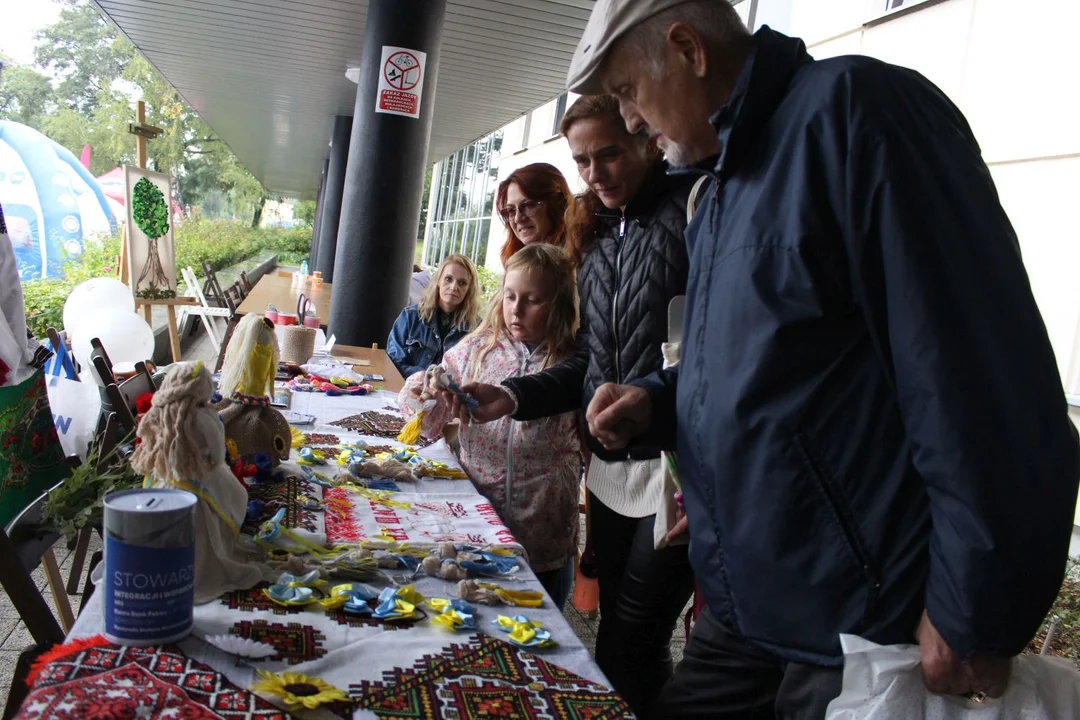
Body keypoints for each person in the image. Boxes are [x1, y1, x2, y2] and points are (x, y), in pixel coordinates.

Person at [566, 1, 1080, 718]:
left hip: (855, 630)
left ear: (687, 48)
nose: (627, 121)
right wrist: (656, 401)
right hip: (744, 610)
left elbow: (981, 377)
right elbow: (765, 368)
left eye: (626, 92)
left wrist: (975, 606)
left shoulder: (859, 115)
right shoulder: (720, 185)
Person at [457, 94, 695, 716]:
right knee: (627, 636)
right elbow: (587, 362)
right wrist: (510, 395)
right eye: (582, 160)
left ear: (646, 137)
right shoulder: (594, 233)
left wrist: (657, 404)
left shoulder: (695, 209)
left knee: (626, 643)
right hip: (611, 473)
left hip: (676, 469)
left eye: (609, 153)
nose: (595, 173)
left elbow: (720, 354)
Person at [398, 243, 582, 608]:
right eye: (511, 296)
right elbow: (425, 426)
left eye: (533, 300)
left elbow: (590, 451)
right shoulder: (477, 349)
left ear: (560, 304)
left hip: (543, 535)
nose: (516, 309)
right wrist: (427, 389)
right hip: (475, 519)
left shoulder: (572, 366)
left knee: (539, 625)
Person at [387, 254, 480, 379]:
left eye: (462, 283)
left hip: (451, 397)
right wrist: (427, 377)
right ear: (438, 281)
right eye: (448, 279)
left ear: (469, 289)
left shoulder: (476, 330)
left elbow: (476, 375)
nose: (454, 287)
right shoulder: (410, 317)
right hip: (407, 391)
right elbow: (393, 363)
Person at [496, 162, 574, 266]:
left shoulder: (581, 261)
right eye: (511, 211)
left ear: (557, 204)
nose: (518, 218)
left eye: (529, 205)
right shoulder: (514, 263)